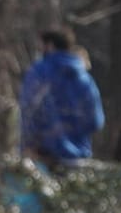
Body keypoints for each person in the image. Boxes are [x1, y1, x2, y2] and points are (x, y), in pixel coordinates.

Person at [18, 28, 105, 168]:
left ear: (50, 45)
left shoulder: (38, 73)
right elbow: (96, 121)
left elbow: (29, 111)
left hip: (42, 159)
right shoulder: (86, 79)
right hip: (78, 160)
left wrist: (27, 146)